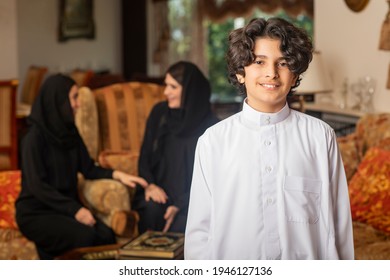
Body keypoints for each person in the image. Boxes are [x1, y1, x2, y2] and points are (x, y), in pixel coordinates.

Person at [185, 17, 354, 260]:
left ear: (295, 76)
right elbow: (199, 234)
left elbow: (340, 226)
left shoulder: (320, 136)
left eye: (283, 63)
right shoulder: (213, 142)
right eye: (259, 62)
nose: (271, 73)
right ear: (240, 72)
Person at [15, 74, 148, 259]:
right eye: (74, 97)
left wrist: (118, 175)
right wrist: (75, 210)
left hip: (65, 208)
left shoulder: (70, 131)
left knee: (106, 235)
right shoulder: (33, 138)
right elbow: (38, 186)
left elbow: (88, 169)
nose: (78, 104)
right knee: (84, 236)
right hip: (37, 212)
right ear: (59, 101)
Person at [132, 61, 219, 234]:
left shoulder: (213, 127)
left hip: (193, 199)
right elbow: (144, 158)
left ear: (189, 91)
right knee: (152, 210)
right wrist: (150, 186)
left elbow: (214, 178)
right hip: (159, 194)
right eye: (166, 85)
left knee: (189, 223)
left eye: (173, 87)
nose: (166, 92)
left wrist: (180, 205)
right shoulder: (159, 113)